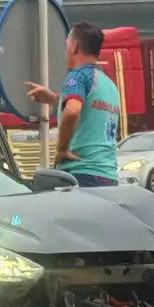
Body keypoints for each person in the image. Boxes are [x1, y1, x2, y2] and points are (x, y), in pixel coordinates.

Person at [24, 21, 121, 187]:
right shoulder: (108, 84)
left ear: (74, 46)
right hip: (108, 176)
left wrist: (62, 150)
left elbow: (72, 112)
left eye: (66, 45)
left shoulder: (77, 76)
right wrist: (53, 99)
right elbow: (87, 110)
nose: (65, 51)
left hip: (81, 174)